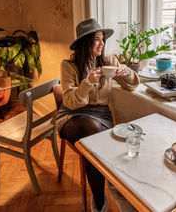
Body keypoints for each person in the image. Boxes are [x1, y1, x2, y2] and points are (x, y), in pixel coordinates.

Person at [57, 18, 139, 212]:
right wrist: (88, 82)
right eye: (96, 39)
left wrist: (126, 72)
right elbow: (69, 101)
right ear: (85, 43)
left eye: (102, 39)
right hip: (72, 116)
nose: (102, 43)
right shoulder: (69, 66)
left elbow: (133, 84)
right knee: (92, 132)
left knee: (93, 144)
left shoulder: (109, 61)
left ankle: (100, 201)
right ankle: (107, 193)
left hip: (101, 116)